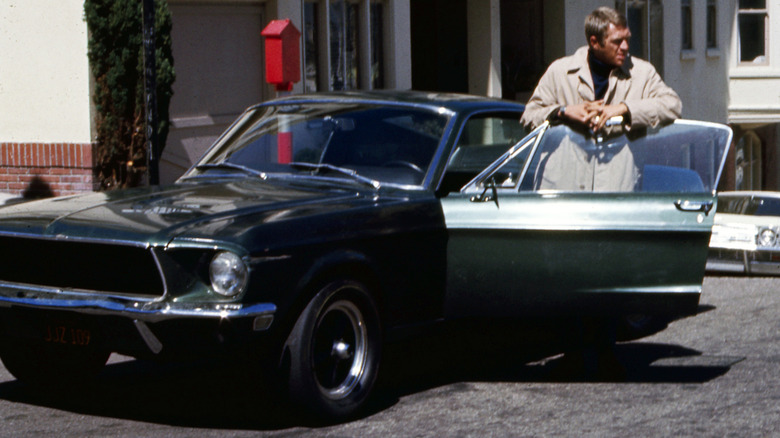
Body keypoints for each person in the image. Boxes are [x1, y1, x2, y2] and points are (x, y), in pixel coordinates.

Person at [520, 7, 682, 192]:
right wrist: (563, 112)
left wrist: (624, 109)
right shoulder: (560, 71)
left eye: (627, 39)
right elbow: (529, 116)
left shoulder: (641, 73)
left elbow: (672, 105)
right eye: (617, 41)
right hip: (563, 193)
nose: (625, 47)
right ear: (594, 42)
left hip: (615, 193)